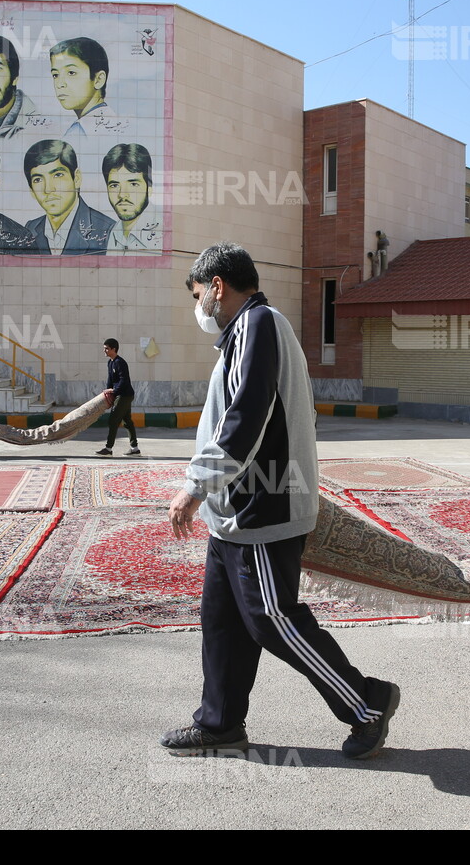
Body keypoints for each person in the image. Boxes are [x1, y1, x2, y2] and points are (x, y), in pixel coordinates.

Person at [163, 242, 400, 759]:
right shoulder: (240, 335)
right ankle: (220, 722)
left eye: (199, 293)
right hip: (234, 515)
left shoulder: (258, 324)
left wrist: (193, 485)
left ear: (218, 287)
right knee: (223, 623)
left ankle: (366, 702)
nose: (198, 305)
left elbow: (246, 418)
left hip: (261, 512)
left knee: (274, 620)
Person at [22, 139, 113, 255]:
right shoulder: (30, 229)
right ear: (31, 191)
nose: (48, 189)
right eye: (38, 179)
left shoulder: (107, 230)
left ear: (77, 179)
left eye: (58, 175)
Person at [102, 144, 162, 255]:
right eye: (114, 185)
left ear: (149, 188)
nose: (122, 195)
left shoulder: (163, 233)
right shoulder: (111, 233)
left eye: (133, 184)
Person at [49, 37, 113, 136]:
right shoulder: (111, 121)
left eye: (71, 73)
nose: (60, 84)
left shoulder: (79, 131)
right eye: (55, 75)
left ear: (98, 79)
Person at [95, 338, 139, 457]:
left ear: (114, 349)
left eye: (106, 348)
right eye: (104, 348)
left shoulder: (120, 362)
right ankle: (135, 449)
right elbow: (110, 380)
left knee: (113, 420)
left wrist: (114, 390)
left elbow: (124, 380)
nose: (104, 350)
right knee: (127, 422)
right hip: (120, 395)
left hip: (124, 395)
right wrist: (109, 391)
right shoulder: (110, 362)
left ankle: (108, 449)